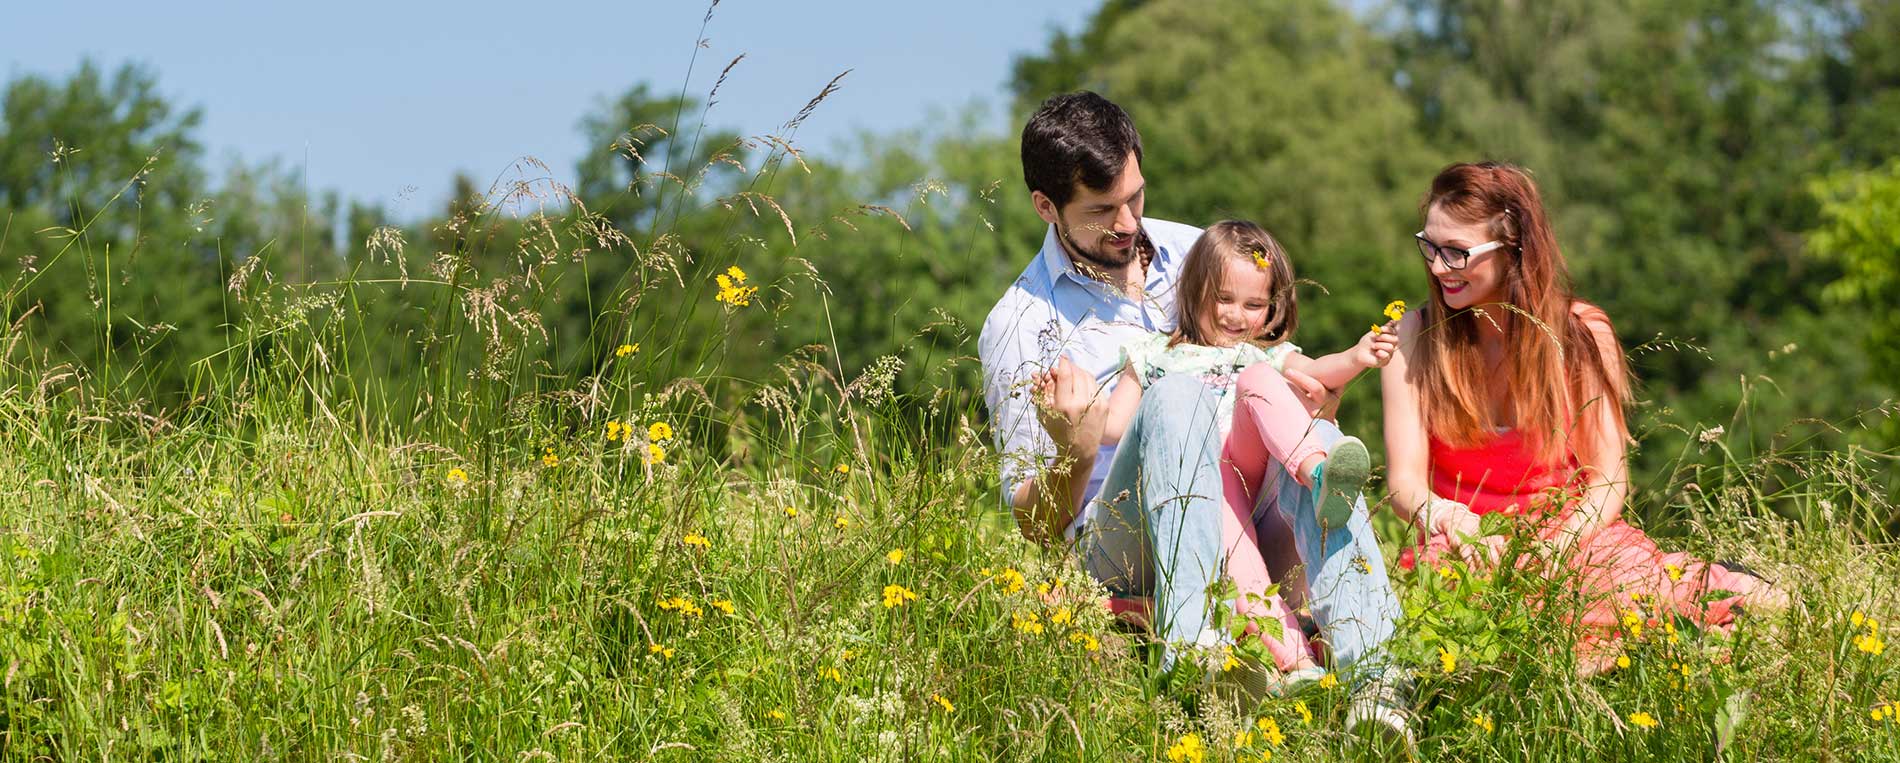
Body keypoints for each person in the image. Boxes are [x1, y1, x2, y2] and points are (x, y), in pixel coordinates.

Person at [979, 91, 1410, 741]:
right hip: (1127, 544)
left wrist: (1317, 400)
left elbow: (1271, 366)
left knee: (1320, 435)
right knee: (1173, 396)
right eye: (1101, 210)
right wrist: (1075, 443)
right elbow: (1035, 527)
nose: (1128, 223)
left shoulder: (1196, 252)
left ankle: (1376, 683)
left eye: (1136, 196)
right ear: (1046, 206)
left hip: (1243, 497)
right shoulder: (1021, 326)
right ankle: (1192, 652)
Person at [1380, 161, 1790, 672]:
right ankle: (1644, 628)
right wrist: (1447, 518)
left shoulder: (1581, 334)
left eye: (1458, 253)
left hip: (1566, 537)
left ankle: (1680, 602)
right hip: (1462, 548)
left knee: (1629, 588)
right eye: (1431, 247)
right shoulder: (1412, 338)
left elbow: (1608, 478)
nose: (1439, 267)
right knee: (1469, 623)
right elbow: (1403, 484)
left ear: (1514, 251)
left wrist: (1561, 542)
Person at [1045, 219, 1398, 686]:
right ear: (1194, 291)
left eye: (1254, 305)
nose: (1236, 315)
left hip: (1250, 479)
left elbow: (1318, 373)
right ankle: (1295, 662)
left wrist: (1357, 357)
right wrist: (1077, 409)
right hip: (1197, 488)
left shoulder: (1264, 355)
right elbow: (1113, 428)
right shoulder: (1154, 355)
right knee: (1230, 530)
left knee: (1261, 383)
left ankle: (1319, 476)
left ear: (1272, 309)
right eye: (1223, 299)